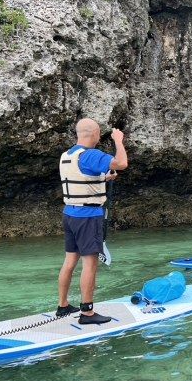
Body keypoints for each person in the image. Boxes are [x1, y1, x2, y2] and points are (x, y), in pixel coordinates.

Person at [58, 119, 128, 324]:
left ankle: (62, 306)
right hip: (88, 217)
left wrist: (103, 179)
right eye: (100, 134)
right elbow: (122, 163)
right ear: (95, 134)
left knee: (70, 261)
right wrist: (118, 141)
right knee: (90, 264)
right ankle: (87, 312)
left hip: (70, 214)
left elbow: (81, 178)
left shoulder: (67, 155)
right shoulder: (91, 155)